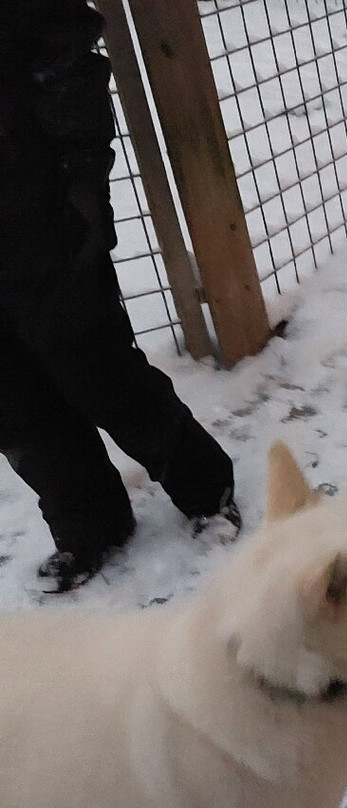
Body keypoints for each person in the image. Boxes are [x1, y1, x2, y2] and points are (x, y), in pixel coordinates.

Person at [0, 0, 240, 593]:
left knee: (101, 370)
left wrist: (82, 177)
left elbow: (64, 54)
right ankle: (90, 524)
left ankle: (206, 488)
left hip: (37, 217)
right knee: (14, 403)